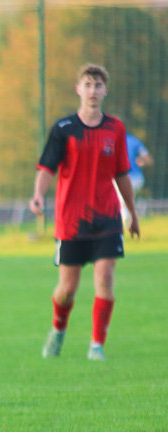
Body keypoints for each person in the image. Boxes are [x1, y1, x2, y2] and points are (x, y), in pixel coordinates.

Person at [30, 64, 139, 361]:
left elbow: (123, 175)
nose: (93, 91)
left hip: (107, 217)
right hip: (71, 221)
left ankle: (96, 346)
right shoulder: (64, 129)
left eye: (98, 85)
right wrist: (38, 195)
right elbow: (46, 168)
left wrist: (132, 213)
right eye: (88, 84)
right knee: (67, 289)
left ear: (106, 90)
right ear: (78, 89)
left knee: (105, 279)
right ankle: (58, 329)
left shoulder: (115, 128)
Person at [120, 130, 152, 224]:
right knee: (129, 200)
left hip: (122, 178)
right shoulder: (134, 140)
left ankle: (126, 223)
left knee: (123, 202)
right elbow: (148, 159)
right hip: (137, 178)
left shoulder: (111, 139)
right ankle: (139, 208)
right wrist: (139, 162)